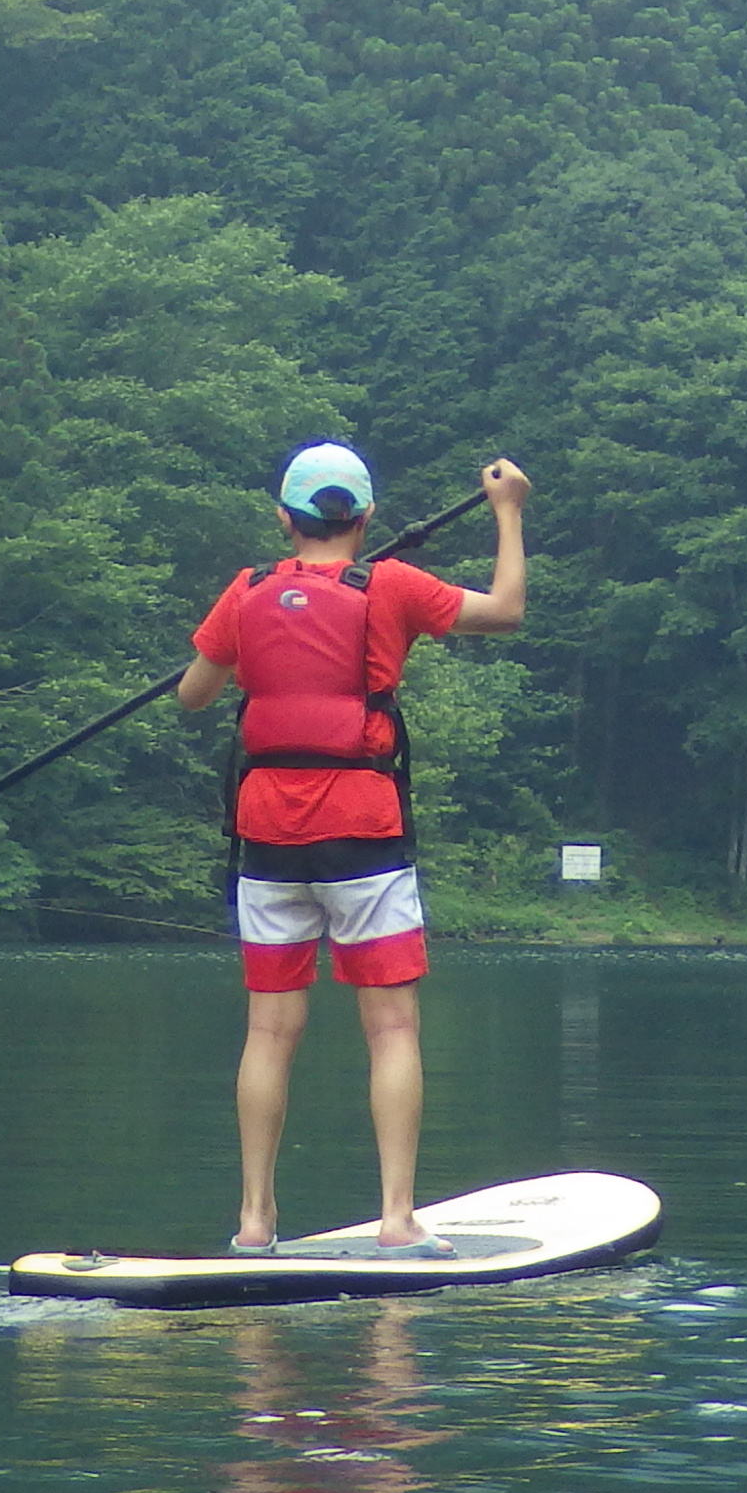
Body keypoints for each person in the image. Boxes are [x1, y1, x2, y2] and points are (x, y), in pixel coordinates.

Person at [175, 443, 528, 1254]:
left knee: (269, 1031)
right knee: (392, 1028)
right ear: (364, 520)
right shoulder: (394, 586)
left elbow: (195, 696)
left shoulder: (246, 591)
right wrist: (507, 511)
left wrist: (246, 650)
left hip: (266, 830)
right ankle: (397, 1220)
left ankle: (255, 1223)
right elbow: (507, 611)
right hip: (362, 830)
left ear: (283, 520)